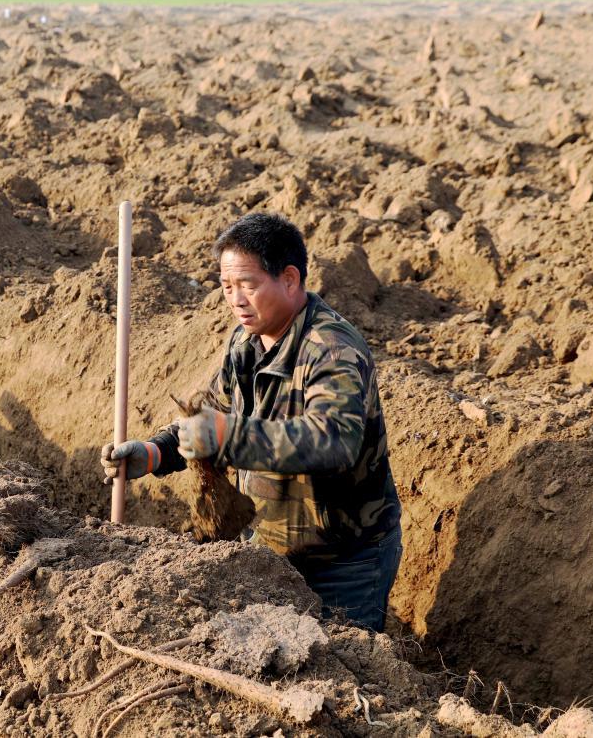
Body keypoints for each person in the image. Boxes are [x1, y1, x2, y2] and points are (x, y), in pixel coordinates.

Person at [101, 213, 402, 632]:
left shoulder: (331, 350)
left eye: (248, 285)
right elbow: (211, 415)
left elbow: (334, 441)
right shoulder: (246, 343)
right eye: (227, 287)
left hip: (343, 563)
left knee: (344, 673)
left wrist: (230, 437)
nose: (236, 299)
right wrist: (154, 453)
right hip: (268, 550)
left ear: (290, 279)